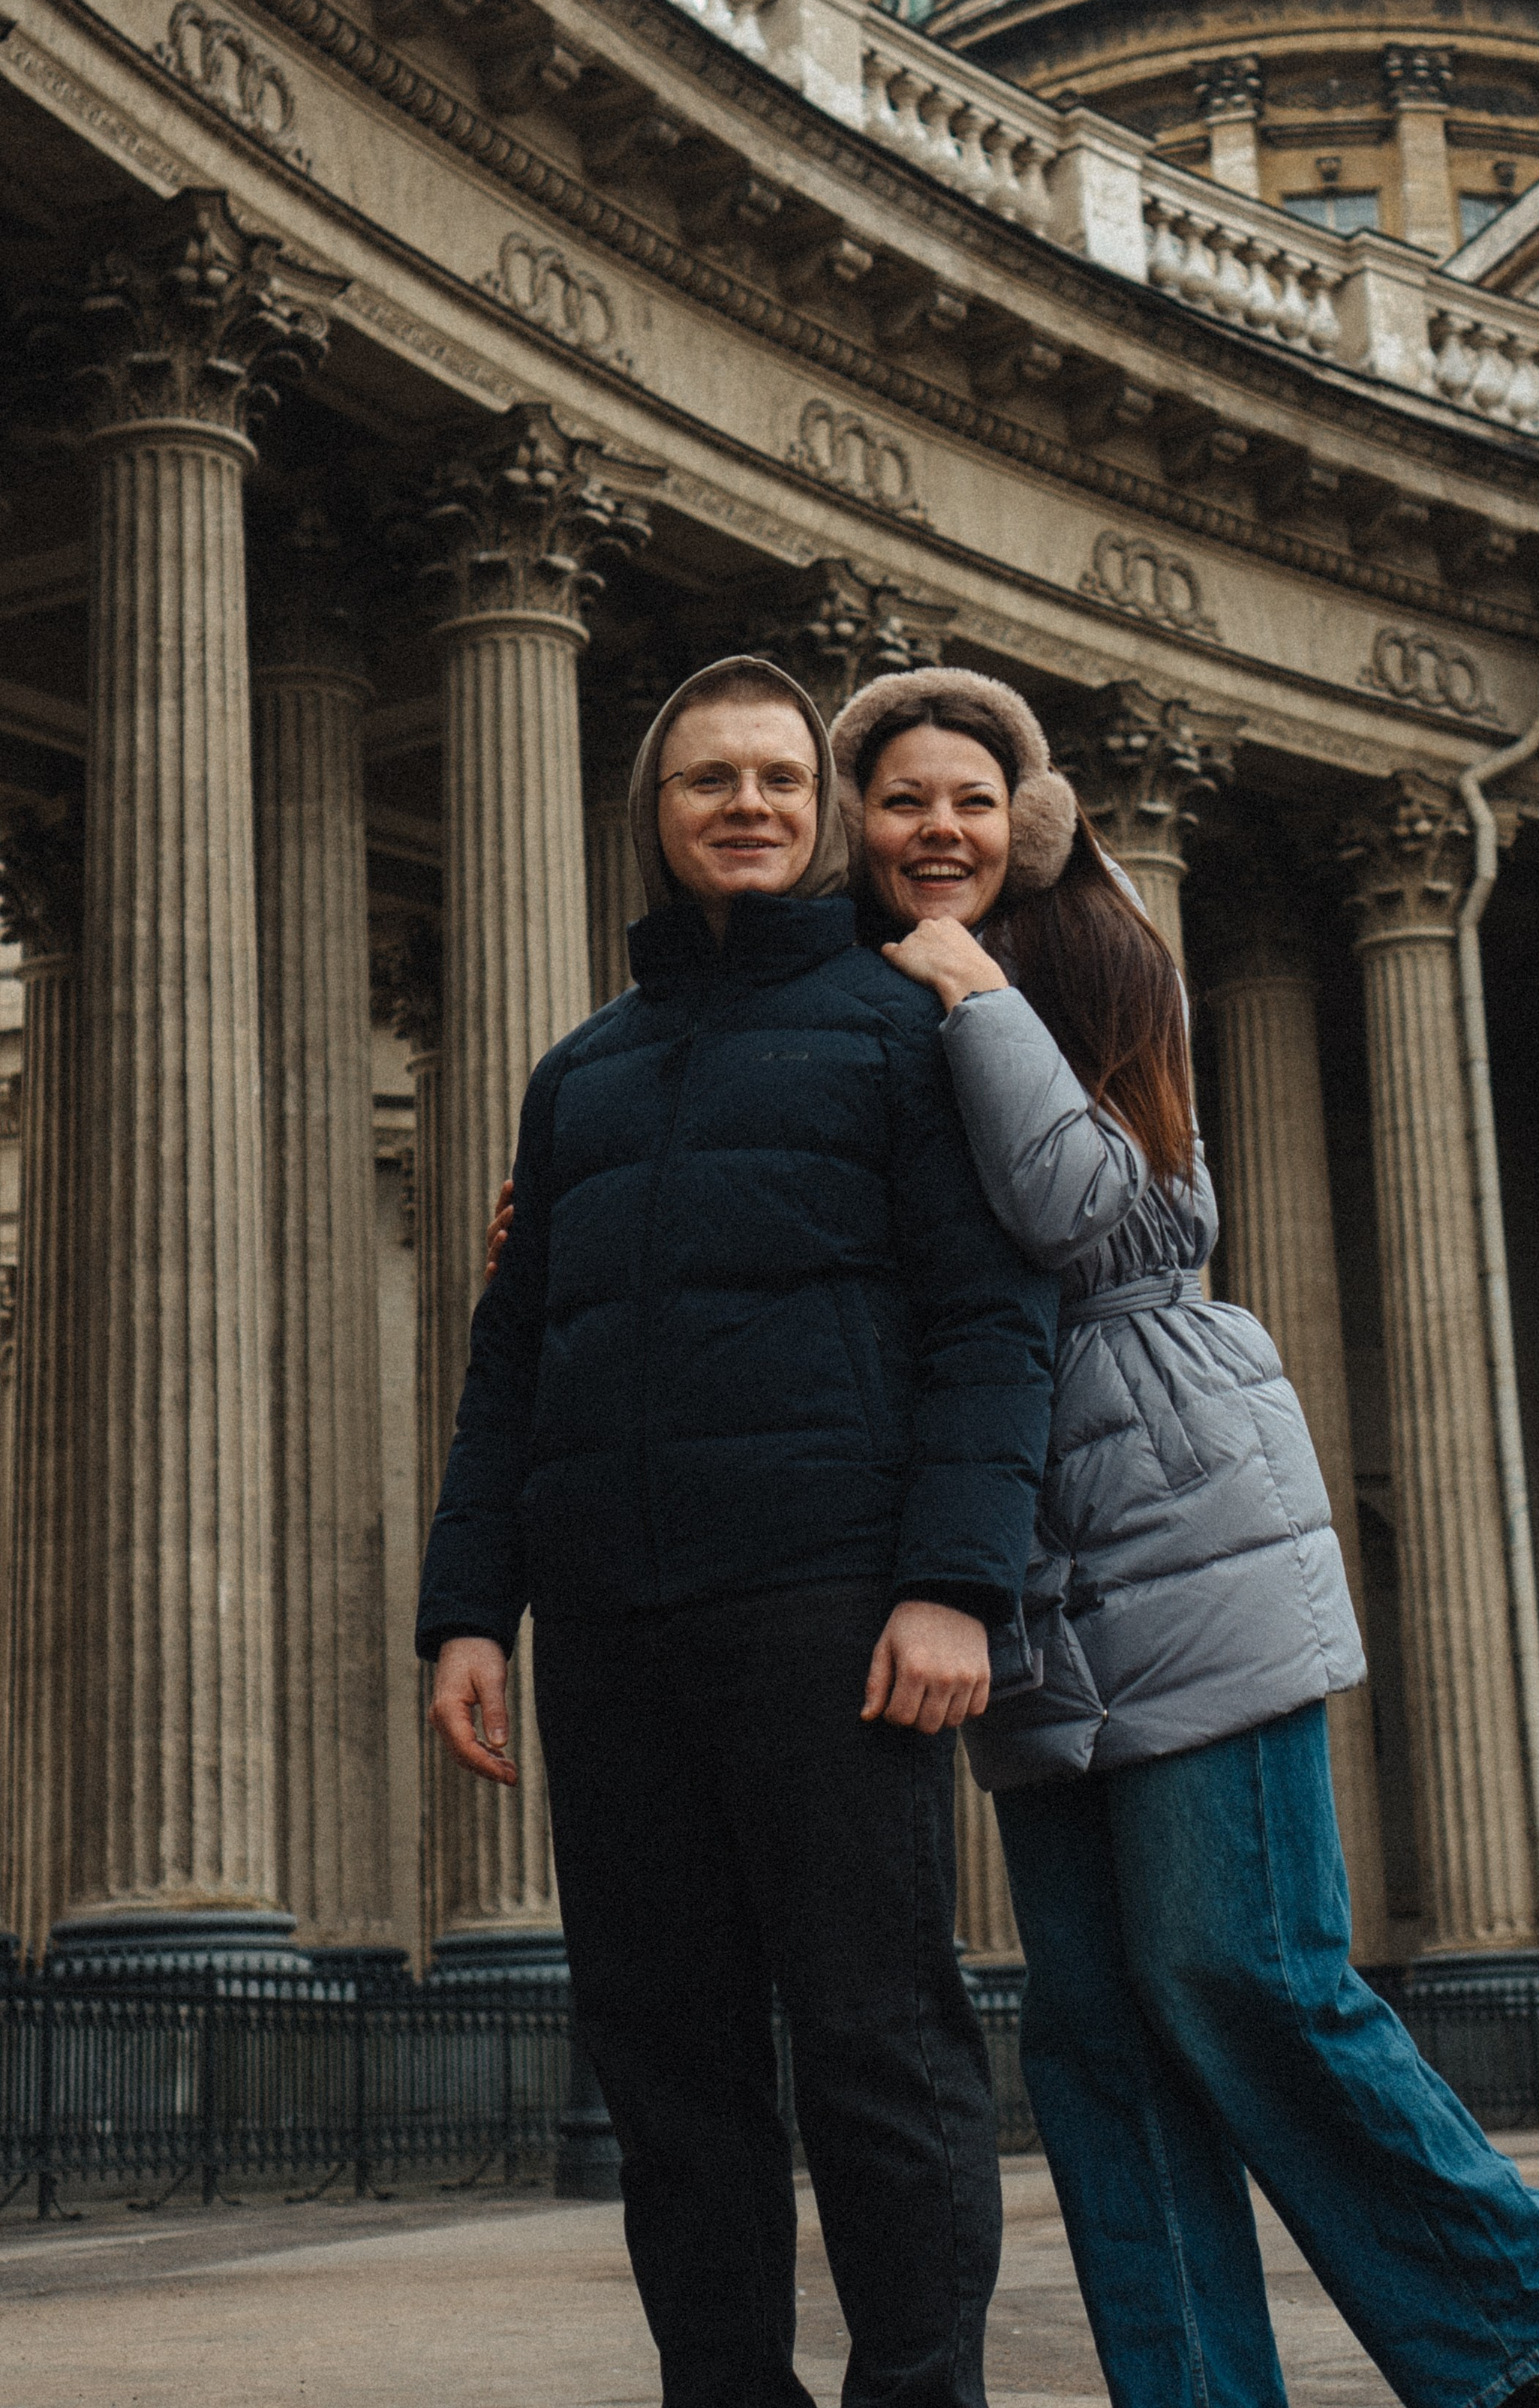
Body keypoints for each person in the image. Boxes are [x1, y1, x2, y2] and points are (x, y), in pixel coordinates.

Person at [824, 664, 1539, 2408]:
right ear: (859, 823)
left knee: (1243, 1966)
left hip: (1179, 1504)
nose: (938, 831)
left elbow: (1092, 1214)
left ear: (1026, 817)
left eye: (970, 800)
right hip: (1021, 1556)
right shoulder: (861, 996)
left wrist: (978, 993)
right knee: (1097, 2044)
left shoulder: (1092, 956)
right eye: (901, 800)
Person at [420, 655, 1059, 2408]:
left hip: (828, 1605)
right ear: (657, 814)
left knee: (874, 2043)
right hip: (614, 1628)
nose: (750, 806)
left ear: (830, 813)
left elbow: (990, 1326)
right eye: (713, 780)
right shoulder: (576, 1079)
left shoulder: (910, 1027)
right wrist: (468, 1608)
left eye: (782, 778)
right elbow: (510, 1362)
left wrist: (949, 1585)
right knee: (666, 2062)